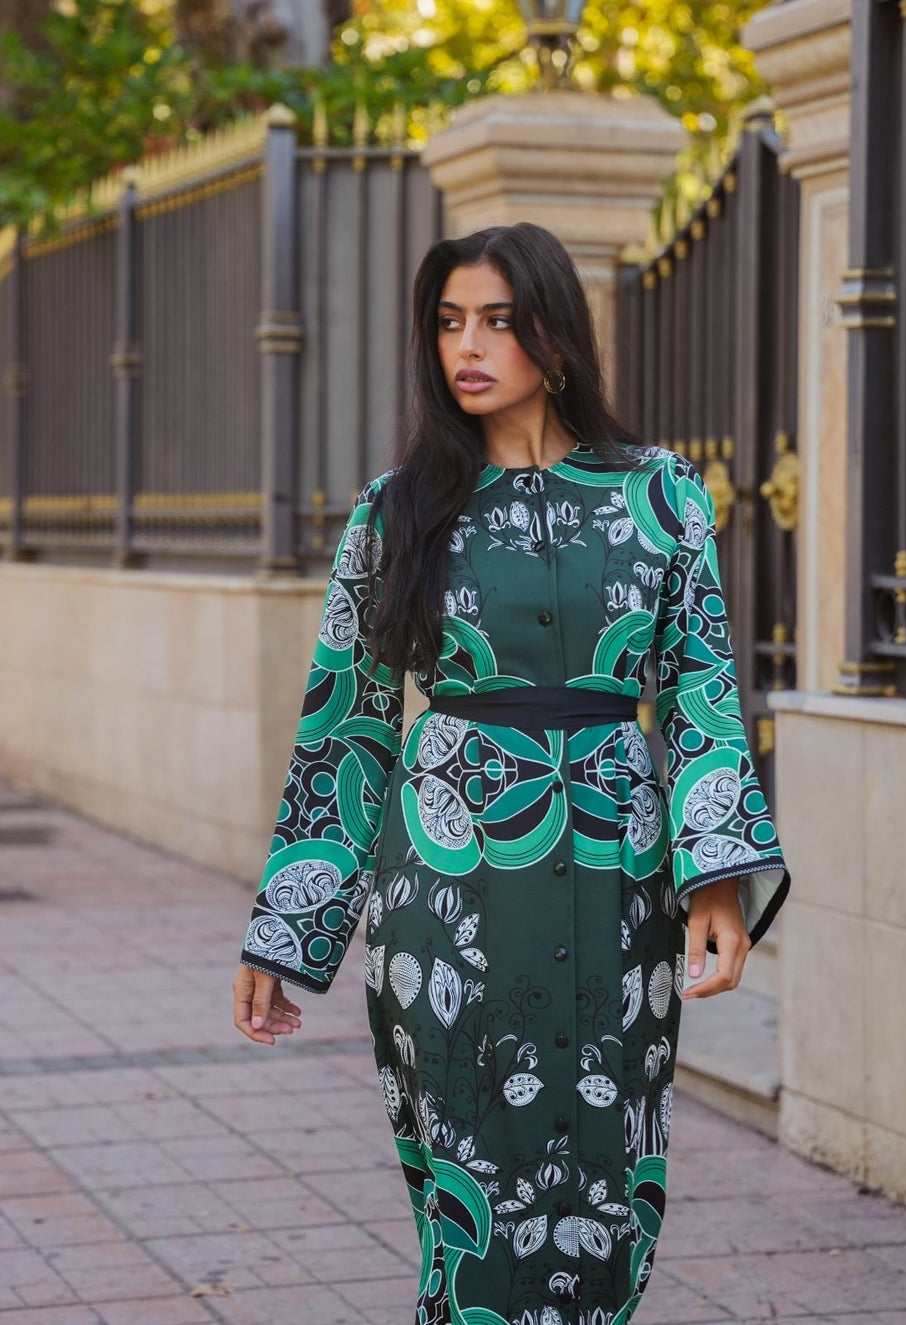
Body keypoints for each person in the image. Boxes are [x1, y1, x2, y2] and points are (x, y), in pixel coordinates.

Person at [232, 221, 790, 1325]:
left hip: (621, 880)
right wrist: (285, 933)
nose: (466, 346)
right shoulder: (396, 513)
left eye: (495, 319)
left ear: (556, 335)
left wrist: (716, 878)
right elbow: (346, 728)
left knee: (608, 1171)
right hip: (448, 887)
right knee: (473, 1180)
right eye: (448, 322)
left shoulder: (662, 495)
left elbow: (701, 692)